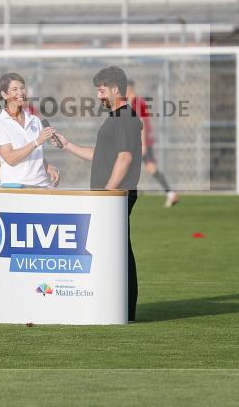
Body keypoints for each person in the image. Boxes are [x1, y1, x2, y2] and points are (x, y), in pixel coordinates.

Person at [53, 66, 142, 322]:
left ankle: (123, 309)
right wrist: (68, 145)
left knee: (117, 251)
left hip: (115, 196)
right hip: (111, 196)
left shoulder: (124, 116)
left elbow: (125, 158)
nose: (99, 96)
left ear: (115, 90)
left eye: (102, 91)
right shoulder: (115, 118)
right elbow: (102, 156)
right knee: (116, 249)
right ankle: (118, 307)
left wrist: (108, 193)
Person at [0, 73, 58, 188]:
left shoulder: (35, 120)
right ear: (4, 95)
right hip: (15, 187)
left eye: (22, 88)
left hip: (42, 185)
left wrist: (48, 167)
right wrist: (36, 142)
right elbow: (10, 158)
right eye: (15, 89)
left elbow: (34, 154)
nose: (20, 92)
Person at [126, 80, 178, 207]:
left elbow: (141, 122)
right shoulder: (137, 102)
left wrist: (142, 144)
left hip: (141, 141)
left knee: (126, 164)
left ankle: (121, 195)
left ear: (130, 88)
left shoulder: (135, 103)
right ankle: (171, 193)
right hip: (143, 140)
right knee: (150, 168)